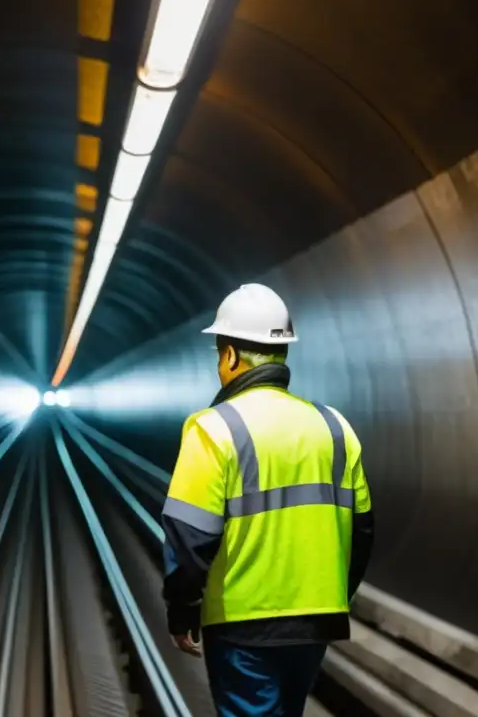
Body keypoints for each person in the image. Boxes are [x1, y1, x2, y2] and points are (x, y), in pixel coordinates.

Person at [161, 283, 374, 716]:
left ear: (232, 356)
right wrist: (334, 597)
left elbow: (190, 537)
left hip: (244, 624)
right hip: (316, 623)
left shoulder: (213, 428)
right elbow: (362, 531)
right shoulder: (334, 428)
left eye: (219, 355)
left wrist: (181, 610)